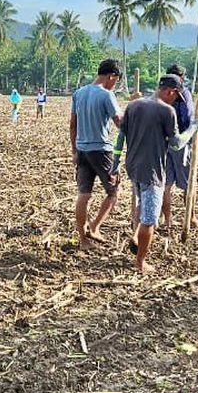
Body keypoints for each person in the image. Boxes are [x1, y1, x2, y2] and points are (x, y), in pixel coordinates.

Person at [113, 74, 198, 274]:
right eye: (176, 97)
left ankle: (135, 237)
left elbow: (121, 136)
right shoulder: (167, 111)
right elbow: (176, 144)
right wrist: (193, 128)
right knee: (150, 218)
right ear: (171, 91)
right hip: (152, 171)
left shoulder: (134, 105)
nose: (175, 101)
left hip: (133, 166)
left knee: (142, 202)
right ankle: (140, 261)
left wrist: (115, 164)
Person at [70, 59, 123, 251]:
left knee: (83, 195)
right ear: (112, 76)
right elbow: (120, 123)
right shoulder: (106, 95)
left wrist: (74, 151)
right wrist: (134, 106)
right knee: (113, 191)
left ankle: (83, 240)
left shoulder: (79, 93)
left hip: (82, 150)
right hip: (101, 150)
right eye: (115, 81)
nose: (114, 84)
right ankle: (94, 226)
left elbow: (72, 125)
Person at [157, 63, 196, 230]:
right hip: (180, 142)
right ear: (182, 78)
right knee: (188, 183)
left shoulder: (159, 95)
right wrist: (194, 131)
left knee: (166, 184)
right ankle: (191, 218)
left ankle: (167, 220)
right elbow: (187, 117)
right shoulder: (183, 93)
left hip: (163, 142)